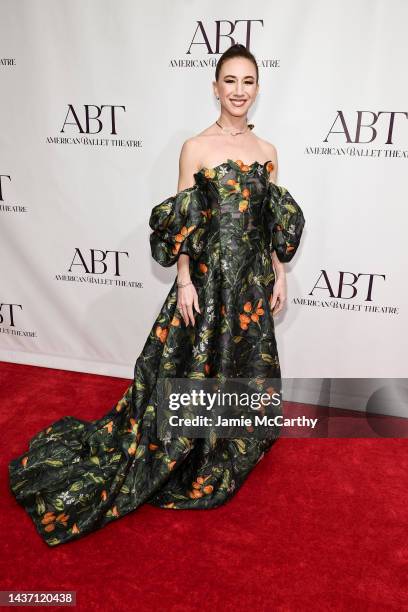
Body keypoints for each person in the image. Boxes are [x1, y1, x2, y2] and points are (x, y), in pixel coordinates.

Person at [8, 43, 306, 547]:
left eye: (247, 82)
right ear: (215, 87)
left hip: (251, 285)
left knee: (240, 365)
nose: (238, 91)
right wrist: (185, 279)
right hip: (208, 280)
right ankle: (188, 446)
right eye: (229, 81)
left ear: (259, 88)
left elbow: (267, 222)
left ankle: (224, 443)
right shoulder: (196, 146)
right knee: (192, 365)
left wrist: (280, 272)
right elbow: (183, 220)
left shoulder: (269, 152)